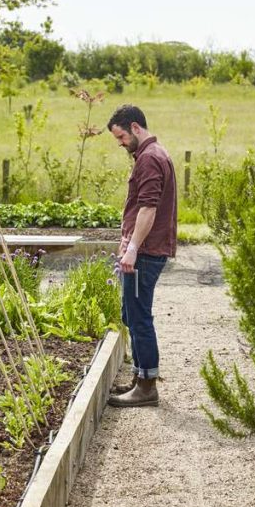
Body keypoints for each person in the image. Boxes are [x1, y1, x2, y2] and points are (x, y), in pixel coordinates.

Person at [105, 105, 177, 408]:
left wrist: (132, 249)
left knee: (139, 317)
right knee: (133, 314)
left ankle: (146, 387)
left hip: (145, 252)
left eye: (121, 136)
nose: (120, 143)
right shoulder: (154, 153)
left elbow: (148, 208)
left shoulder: (148, 159)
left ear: (135, 127)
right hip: (145, 249)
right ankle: (139, 377)